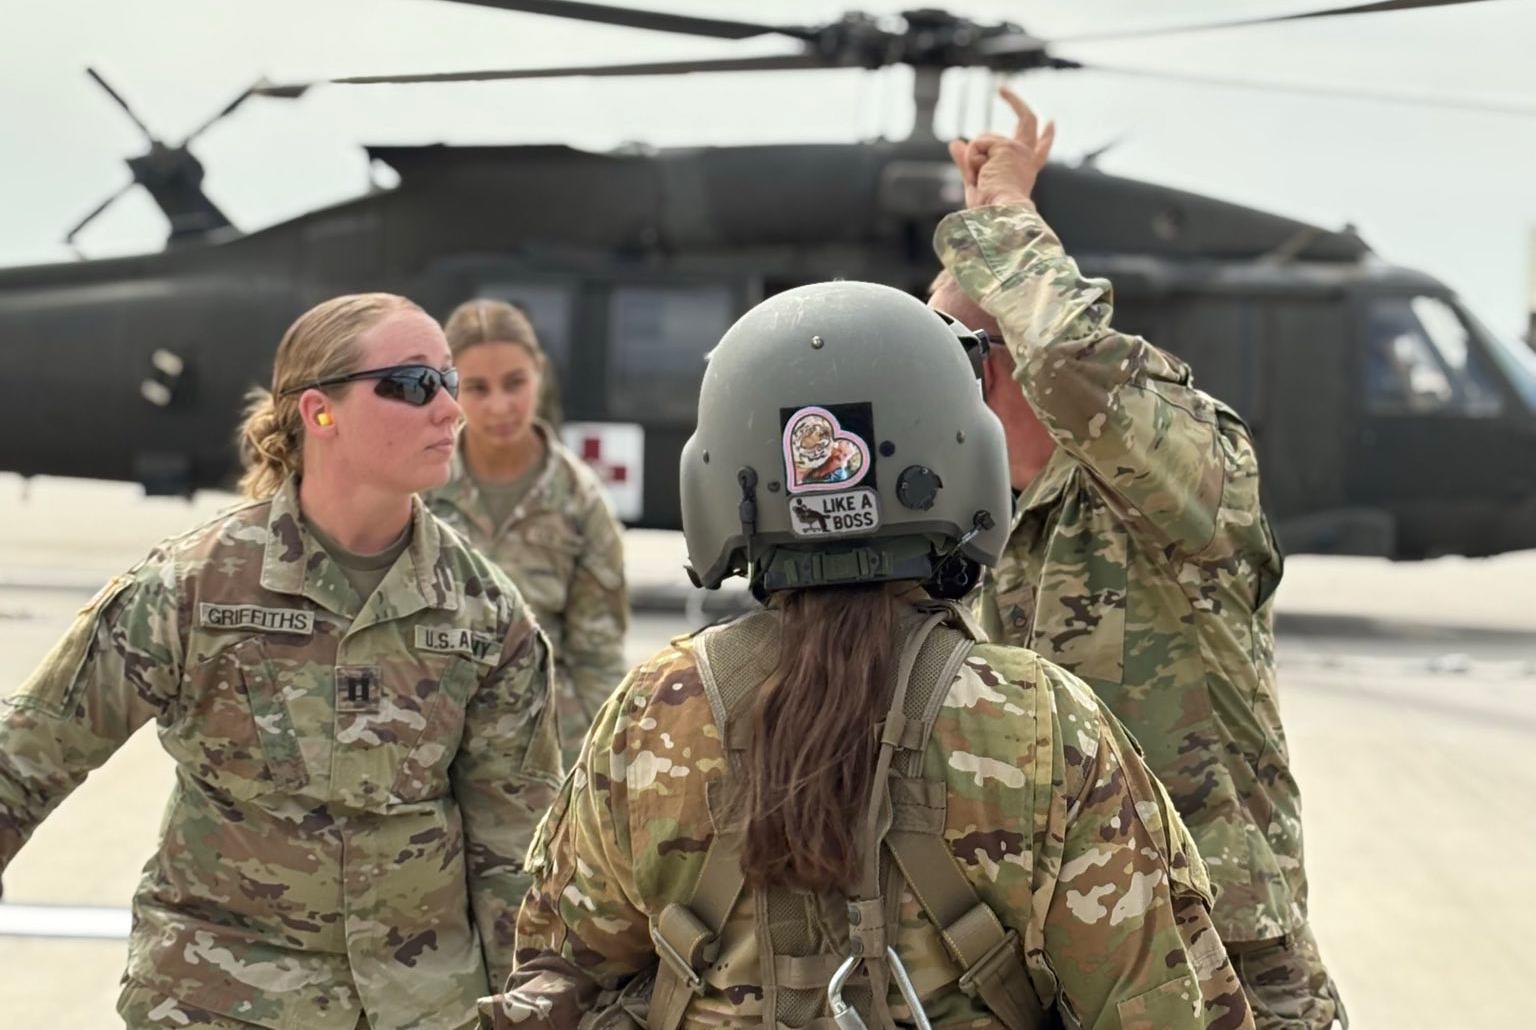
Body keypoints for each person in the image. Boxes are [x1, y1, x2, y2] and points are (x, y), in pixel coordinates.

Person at [482, 281, 1254, 1030]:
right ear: (962, 460)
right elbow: (1162, 1003)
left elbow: (560, 976)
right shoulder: (1046, 727)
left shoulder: (654, 711)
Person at [0, 293, 561, 1030]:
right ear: (318, 412)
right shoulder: (191, 589)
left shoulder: (485, 614)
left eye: (449, 382)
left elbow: (514, 855)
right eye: (414, 383)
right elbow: (25, 762)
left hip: (420, 1009)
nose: (450, 410)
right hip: (223, 1003)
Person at [929, 87, 1343, 1030]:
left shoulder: (1182, 477)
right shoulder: (970, 520)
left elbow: (1075, 355)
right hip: (1059, 966)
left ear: (1003, 356)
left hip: (1227, 966)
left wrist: (1006, 216)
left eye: (942, 348)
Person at [426, 299, 627, 761]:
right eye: (476, 387)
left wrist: (593, 769)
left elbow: (598, 660)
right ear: (450, 387)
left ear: (539, 372)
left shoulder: (580, 501)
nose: (500, 405)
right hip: (430, 746)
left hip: (540, 750)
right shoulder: (419, 487)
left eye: (515, 382)